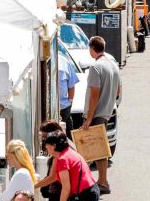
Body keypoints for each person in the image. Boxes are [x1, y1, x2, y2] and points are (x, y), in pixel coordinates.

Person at [84, 36, 120, 193]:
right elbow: (119, 90)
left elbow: (94, 94)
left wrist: (89, 118)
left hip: (97, 113)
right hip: (107, 111)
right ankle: (101, 181)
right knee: (101, 148)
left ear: (92, 49)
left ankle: (102, 182)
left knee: (95, 149)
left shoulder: (96, 67)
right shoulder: (113, 65)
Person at [39, 131, 96, 201]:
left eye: (47, 144)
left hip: (85, 194)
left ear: (54, 146)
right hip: (91, 189)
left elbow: (66, 188)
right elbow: (53, 177)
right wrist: (34, 185)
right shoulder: (67, 151)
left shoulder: (62, 159)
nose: (45, 146)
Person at [57, 47, 81, 129]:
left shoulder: (64, 62)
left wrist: (70, 102)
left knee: (69, 133)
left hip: (64, 108)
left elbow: (71, 85)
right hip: (48, 109)